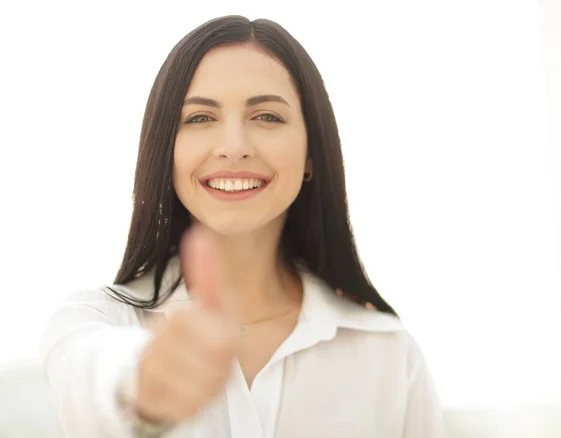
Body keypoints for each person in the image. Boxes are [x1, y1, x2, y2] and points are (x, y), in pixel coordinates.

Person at [39, 15, 445, 438]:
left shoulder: (389, 356)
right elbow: (95, 369)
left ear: (312, 153)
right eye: (199, 119)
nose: (234, 148)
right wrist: (145, 384)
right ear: (166, 150)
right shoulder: (94, 321)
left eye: (267, 116)